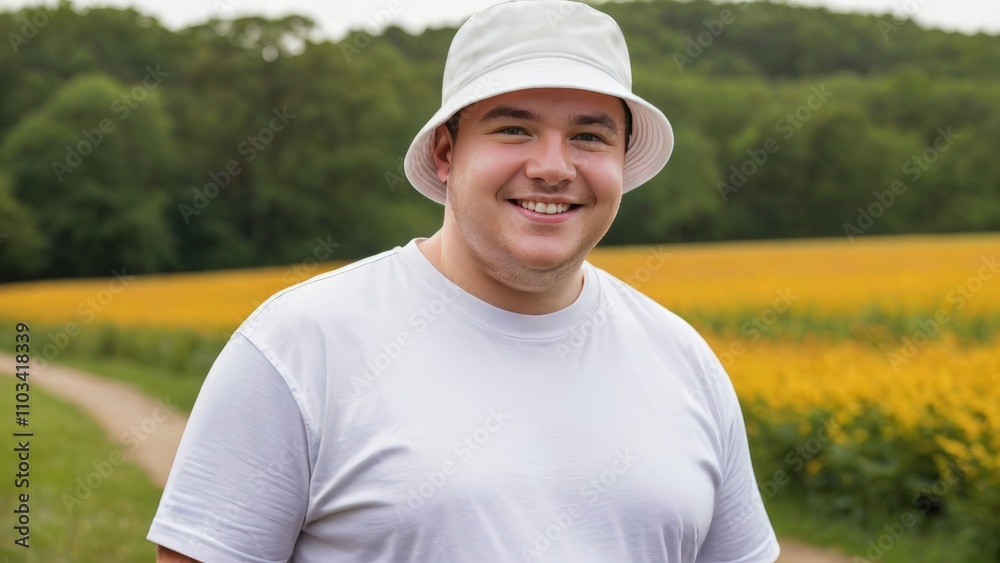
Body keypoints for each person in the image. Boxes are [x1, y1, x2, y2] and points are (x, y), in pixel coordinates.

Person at [149, 1, 780, 561]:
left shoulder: (684, 360)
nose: (553, 167)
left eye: (589, 136)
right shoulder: (300, 345)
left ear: (620, 162)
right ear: (447, 153)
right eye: (514, 129)